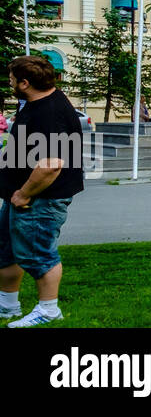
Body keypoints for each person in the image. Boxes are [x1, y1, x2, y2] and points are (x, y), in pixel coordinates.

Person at [0, 55, 85, 327]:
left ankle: (49, 310)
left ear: (25, 83)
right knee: (7, 251)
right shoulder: (36, 103)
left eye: (12, 79)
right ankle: (7, 307)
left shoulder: (50, 113)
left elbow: (50, 165)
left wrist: (23, 193)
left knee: (38, 254)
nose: (9, 82)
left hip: (40, 199)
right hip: (18, 195)